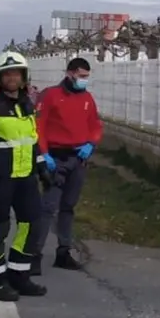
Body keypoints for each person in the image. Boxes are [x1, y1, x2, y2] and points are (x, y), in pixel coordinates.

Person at [0, 51, 52, 301]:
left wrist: (42, 169)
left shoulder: (27, 106)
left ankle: (19, 276)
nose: (12, 78)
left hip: (25, 179)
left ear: (24, 76)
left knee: (31, 225)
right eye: (7, 74)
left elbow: (31, 142)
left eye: (16, 73)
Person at [33, 57, 103, 274]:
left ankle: (63, 252)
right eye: (81, 76)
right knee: (47, 208)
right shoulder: (51, 95)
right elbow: (39, 127)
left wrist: (91, 143)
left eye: (86, 77)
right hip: (56, 157)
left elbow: (95, 125)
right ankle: (34, 255)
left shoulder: (87, 99)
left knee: (68, 207)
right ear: (70, 73)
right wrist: (44, 155)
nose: (84, 81)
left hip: (78, 159)